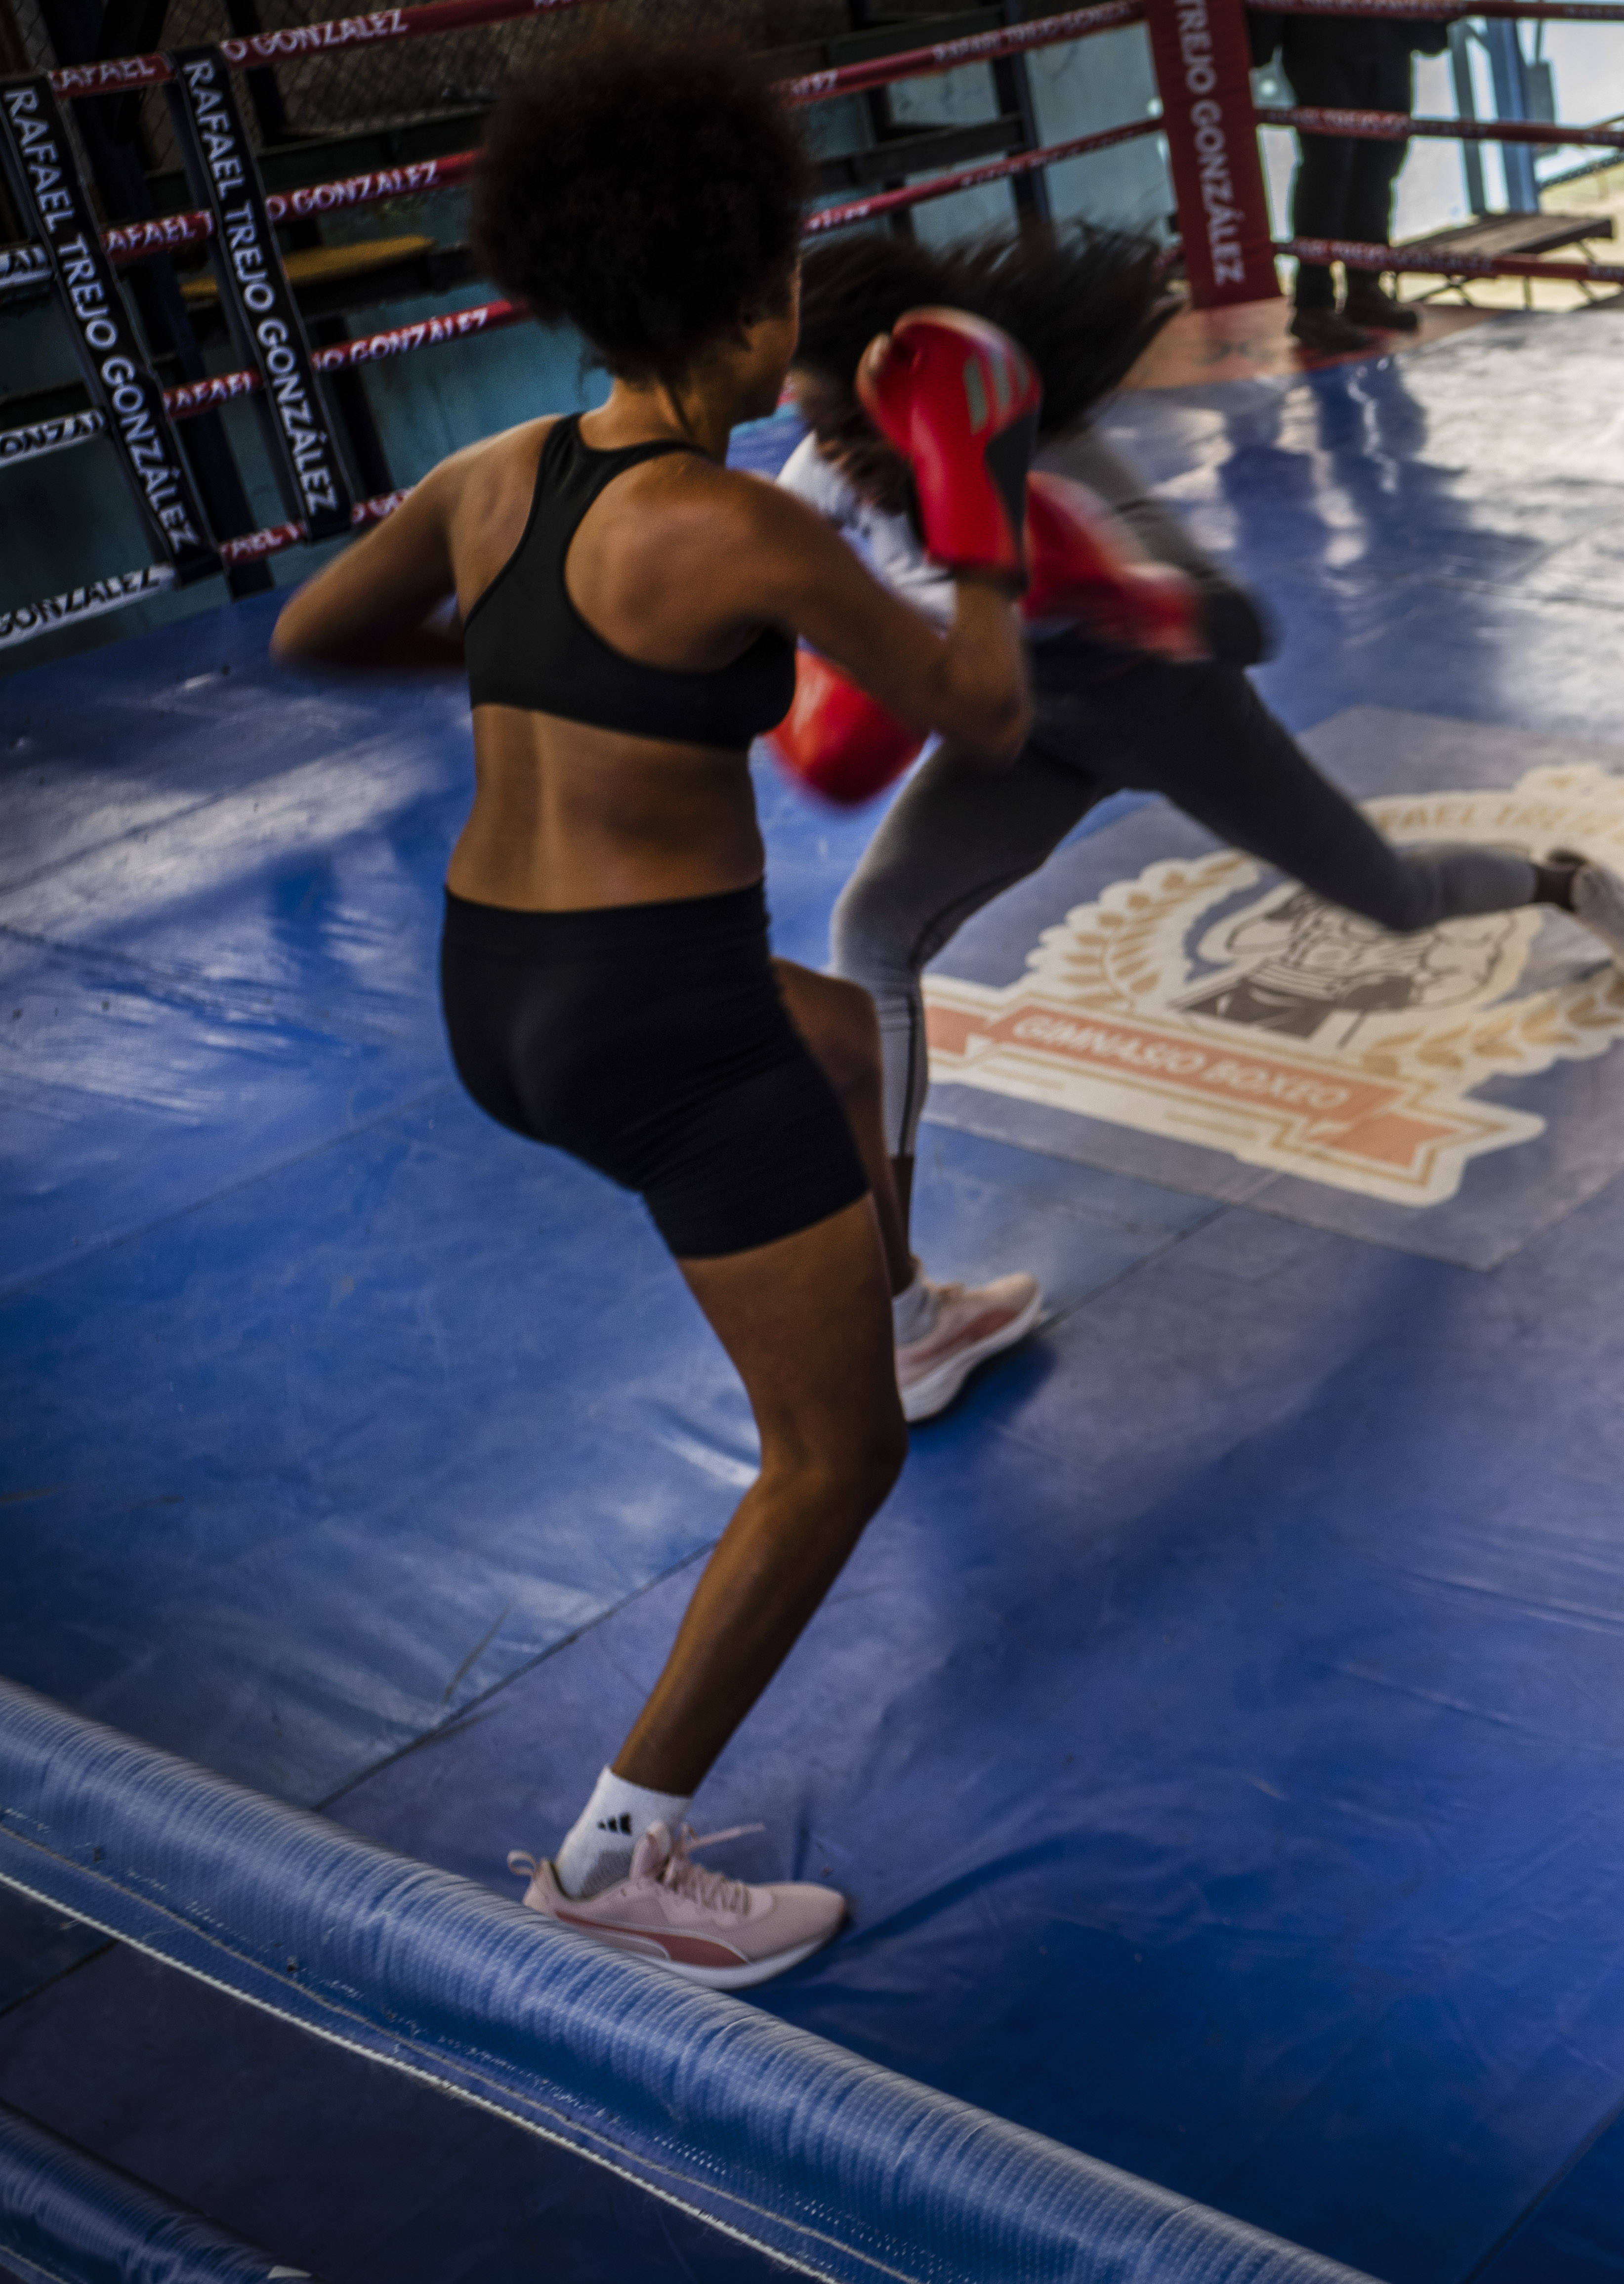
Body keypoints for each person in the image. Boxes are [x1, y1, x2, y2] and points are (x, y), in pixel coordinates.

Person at [267, 35, 1044, 1987]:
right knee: (830, 1460)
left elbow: (307, 629)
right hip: (658, 1034)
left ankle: (900, 1293)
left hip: (497, 984)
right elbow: (987, 708)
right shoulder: (740, 526)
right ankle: (622, 1857)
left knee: (847, 1022)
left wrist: (537, 674)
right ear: (758, 297)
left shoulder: (489, 475)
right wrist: (977, 498)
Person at [769, 223, 1624, 1274]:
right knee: (873, 928)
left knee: (1395, 897)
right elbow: (752, 581)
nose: (837, 458)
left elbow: (1248, 627)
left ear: (914, 394)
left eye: (851, 428)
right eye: (818, 427)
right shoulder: (826, 479)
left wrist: (1125, 600)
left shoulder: (1052, 459)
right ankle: (892, 1289)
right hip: (1027, 736)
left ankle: (1567, 888)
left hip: (1176, 715)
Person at [1247, 7, 1445, 354]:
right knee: (1329, 170)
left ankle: (1365, 286)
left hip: (1386, 33)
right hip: (1320, 36)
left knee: (1379, 166)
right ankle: (1314, 304)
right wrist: (1259, 35)